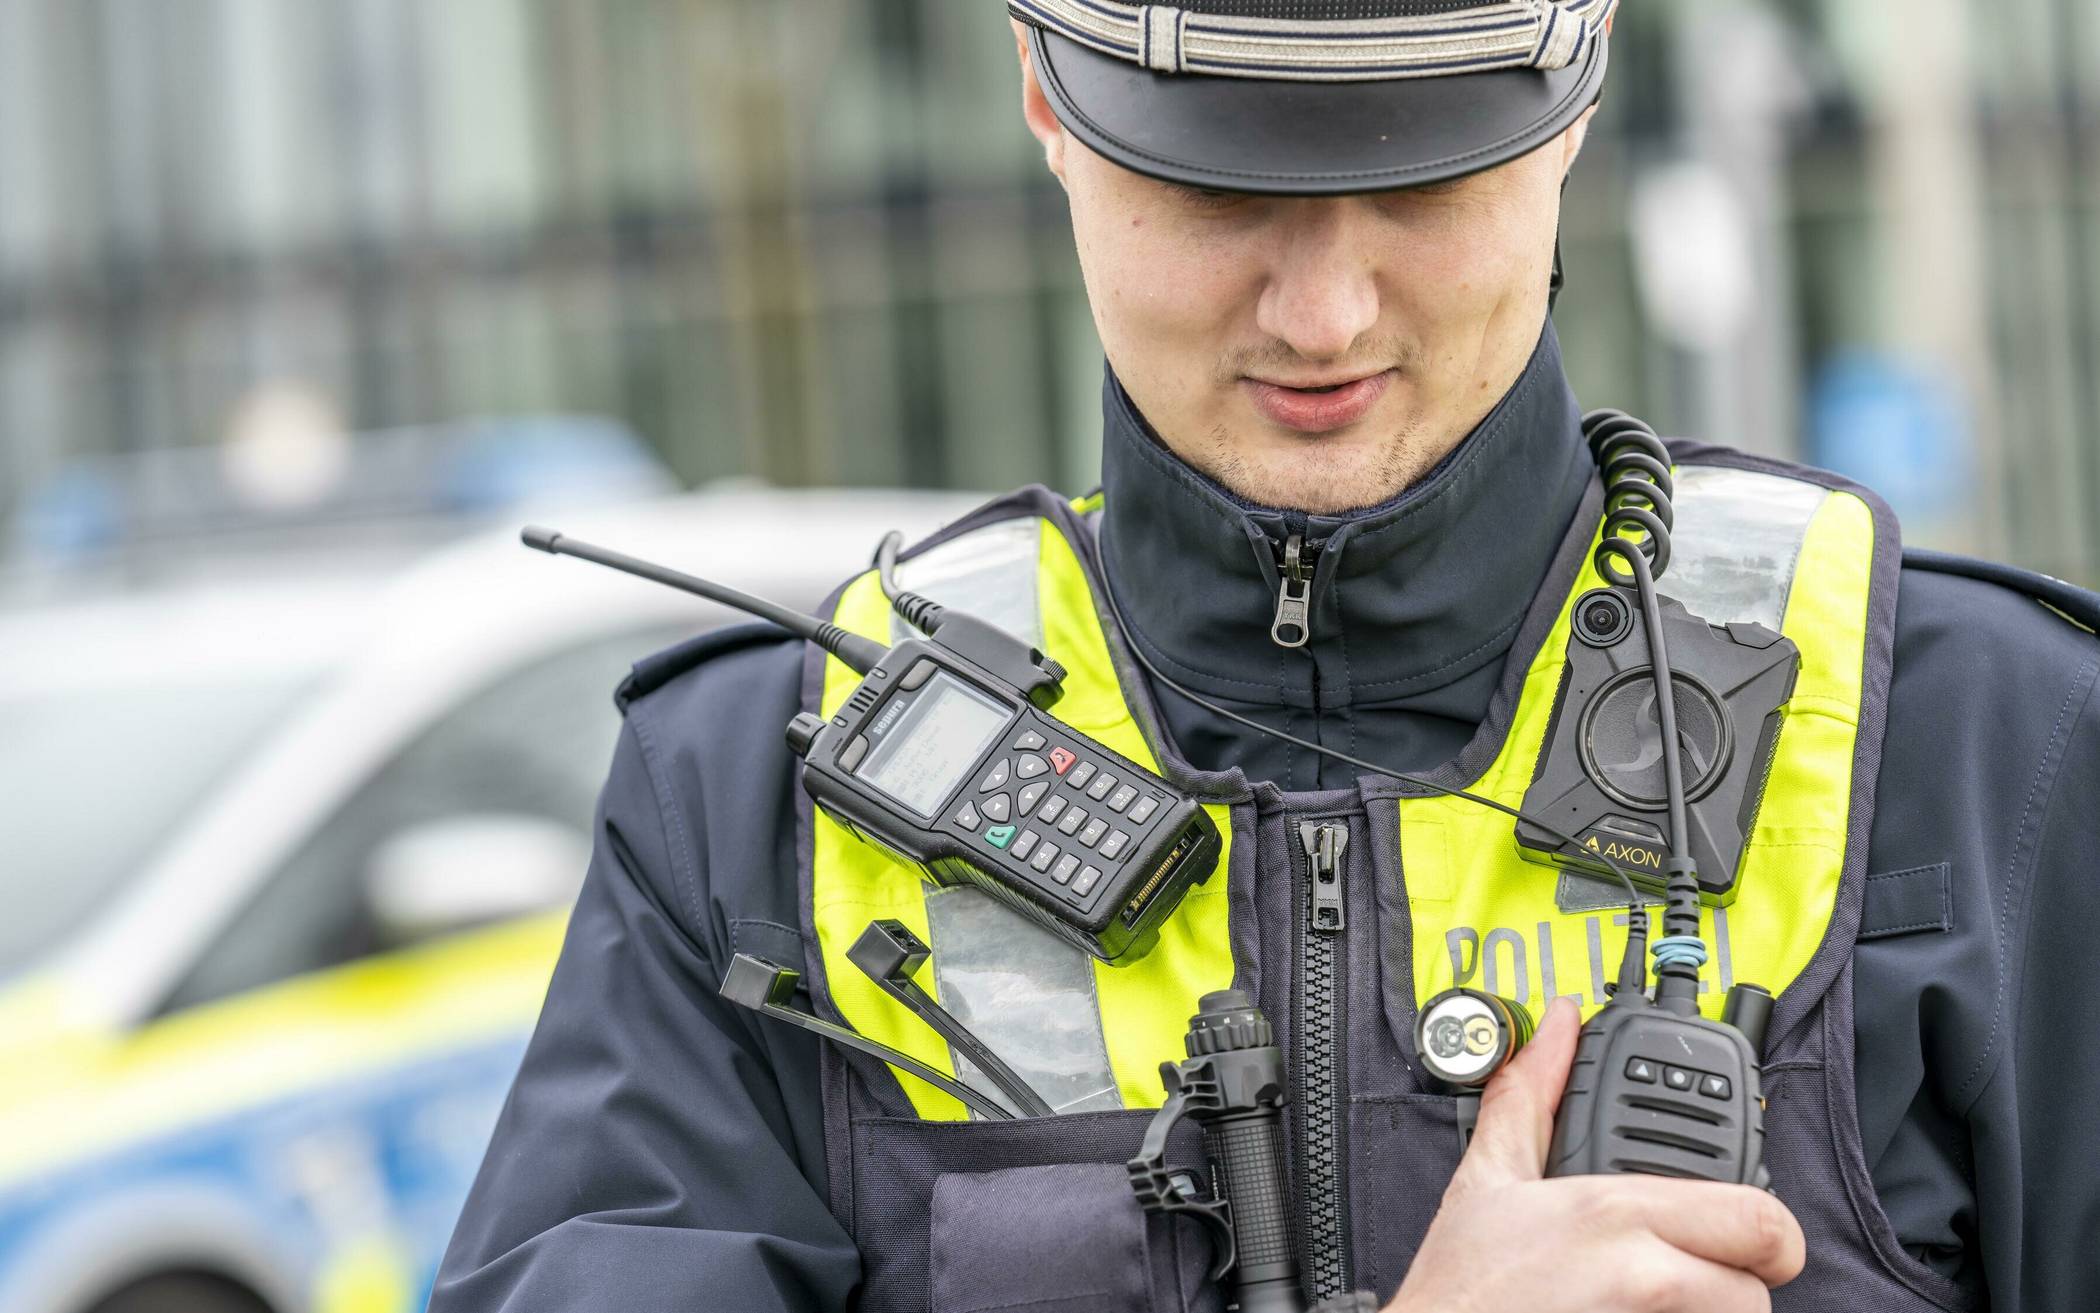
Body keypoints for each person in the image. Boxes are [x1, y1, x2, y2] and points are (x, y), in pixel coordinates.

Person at [431, 3, 2100, 1310]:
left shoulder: (1982, 748)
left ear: (1579, 89)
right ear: (1041, 95)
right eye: (1221, 181)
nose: (1323, 311)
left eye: (1424, 171)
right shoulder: (750, 801)